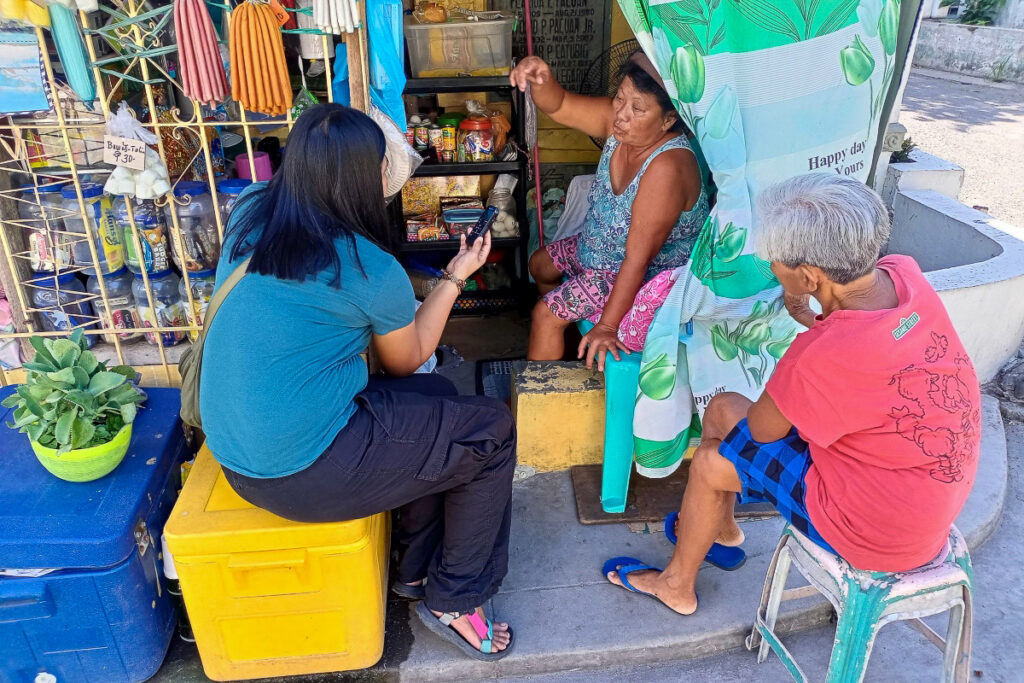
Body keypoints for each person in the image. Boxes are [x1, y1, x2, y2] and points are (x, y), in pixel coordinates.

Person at [199, 104, 515, 660]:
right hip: (302, 471)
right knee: (490, 433)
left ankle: (413, 573)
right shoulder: (367, 266)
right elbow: (407, 358)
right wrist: (453, 278)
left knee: (439, 398)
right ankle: (457, 598)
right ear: (367, 179)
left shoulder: (250, 210)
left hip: (238, 455)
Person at [603, 173, 981, 614]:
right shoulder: (905, 275)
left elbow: (761, 432)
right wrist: (809, 311)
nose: (770, 269)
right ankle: (720, 529)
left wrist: (806, 332)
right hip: (925, 499)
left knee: (710, 462)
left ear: (807, 275)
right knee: (723, 407)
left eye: (775, 264)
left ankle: (675, 586)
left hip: (871, 532)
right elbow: (861, 351)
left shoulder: (818, 356)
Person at [510, 52, 710, 370]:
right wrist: (541, 79)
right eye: (619, 98)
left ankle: (541, 396)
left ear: (668, 120)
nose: (621, 115)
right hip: (597, 249)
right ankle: (568, 345)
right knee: (540, 265)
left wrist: (607, 326)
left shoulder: (667, 166)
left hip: (634, 274)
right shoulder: (617, 127)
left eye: (637, 109)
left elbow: (638, 259)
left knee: (545, 315)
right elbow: (559, 104)